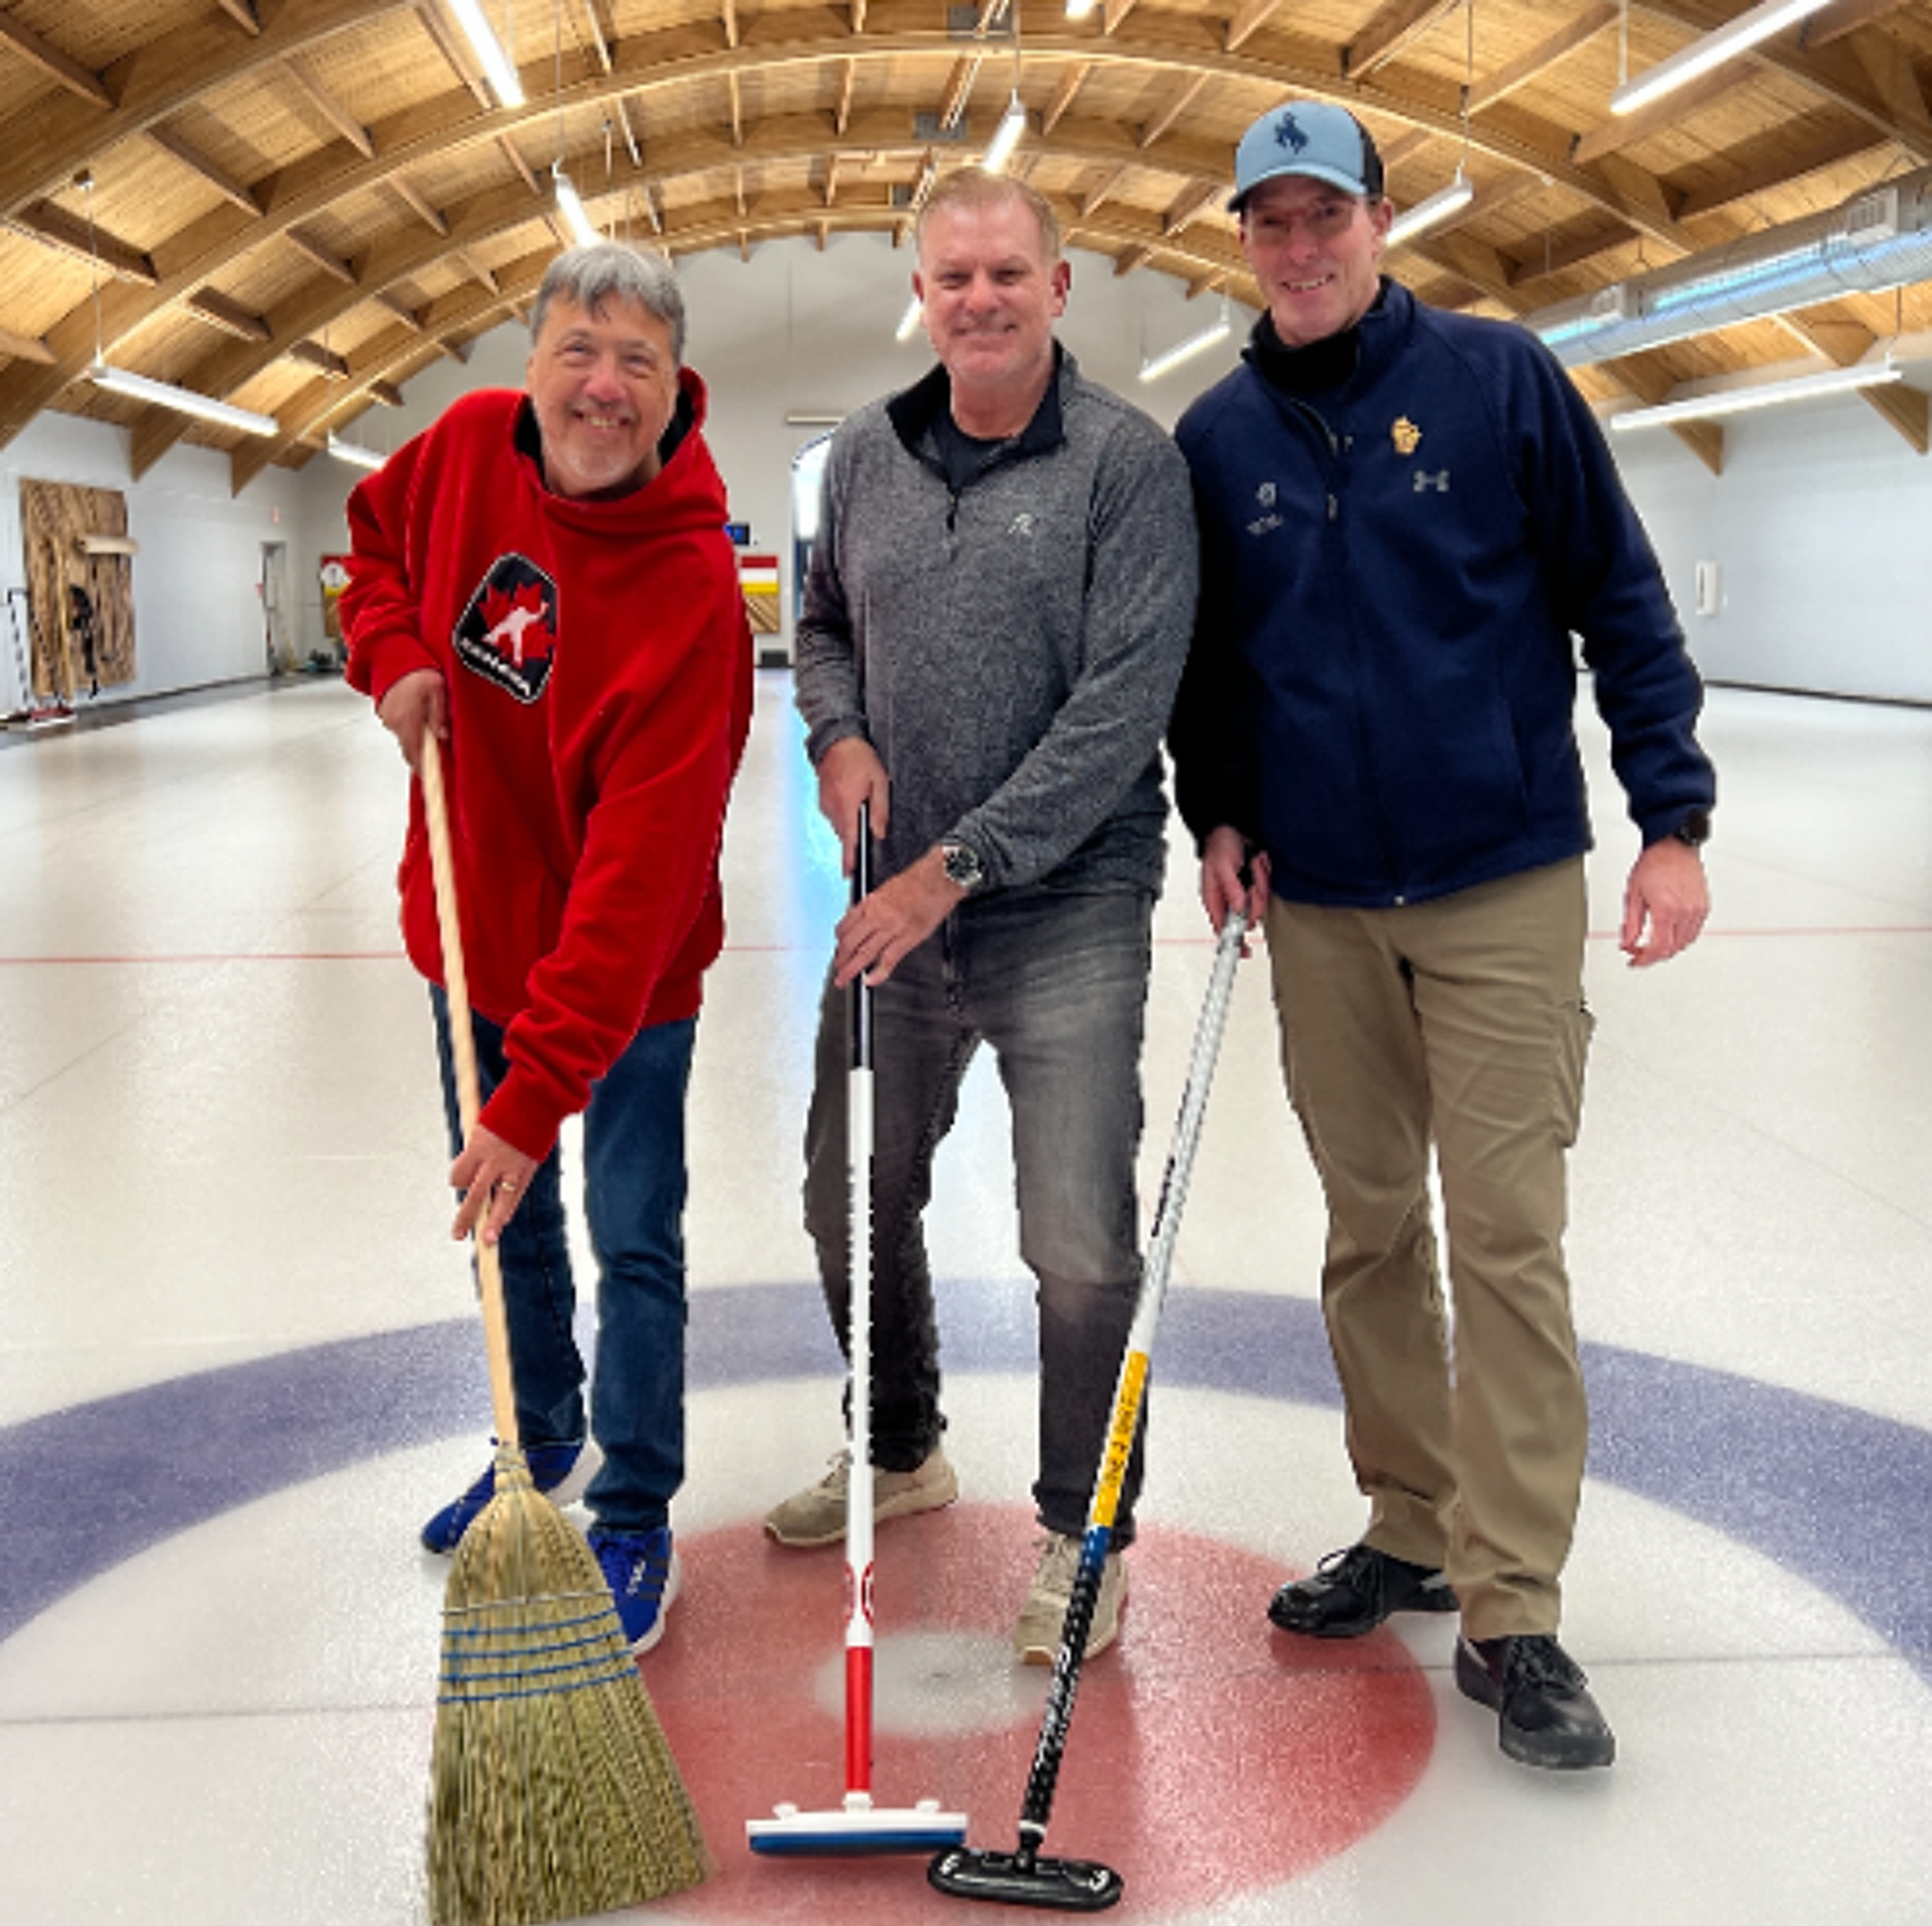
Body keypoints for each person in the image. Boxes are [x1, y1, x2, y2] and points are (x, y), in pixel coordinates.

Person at [1169, 102, 1716, 1769]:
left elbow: (1618, 596)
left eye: (1324, 214)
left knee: (1505, 1234)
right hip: (1323, 901)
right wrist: (1222, 817)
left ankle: (1516, 1609)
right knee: (1366, 1229)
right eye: (1268, 224)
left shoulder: (1499, 384)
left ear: (1382, 220)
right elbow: (1211, 675)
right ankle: (1409, 1520)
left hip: (1499, 879)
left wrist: (1672, 817)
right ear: (1245, 246)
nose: (1300, 247)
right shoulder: (1218, 439)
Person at [768, 166, 1198, 1664]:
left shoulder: (1128, 468)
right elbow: (816, 626)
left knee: (1076, 1236)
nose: (981, 299)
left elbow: (1118, 715)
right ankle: (899, 1446)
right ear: (924, 295)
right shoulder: (867, 461)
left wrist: (953, 866)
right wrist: (837, 737)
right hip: (901, 910)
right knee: (846, 1194)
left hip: (1064, 901)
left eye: (1008, 272)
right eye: (953, 277)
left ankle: (1087, 1536)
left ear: (1059, 287)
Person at [341, 241, 752, 1655]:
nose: (602, 385)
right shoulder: (462, 449)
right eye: (578, 349)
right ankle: (541, 1445)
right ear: (531, 365)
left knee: (633, 1238)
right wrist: (389, 650)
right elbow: (372, 550)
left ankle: (634, 1507)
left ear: (672, 386)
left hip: (626, 992)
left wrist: (533, 1101)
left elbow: (637, 895)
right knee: (505, 1233)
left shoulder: (694, 594)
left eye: (636, 359)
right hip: (471, 947)